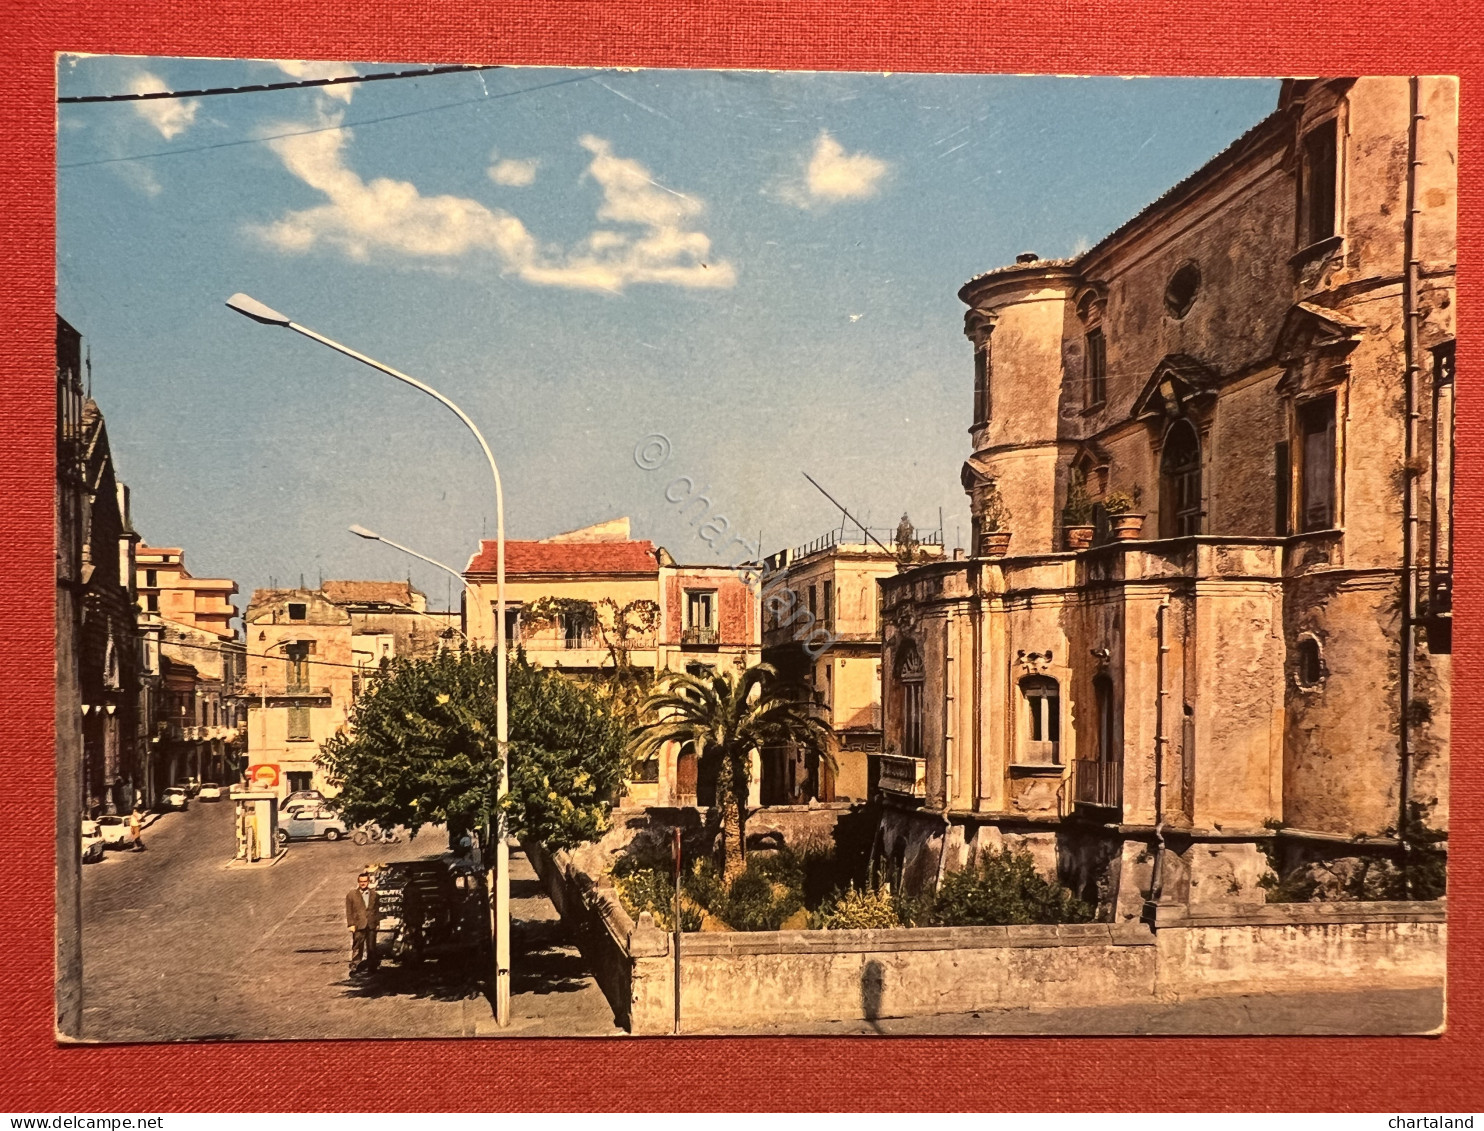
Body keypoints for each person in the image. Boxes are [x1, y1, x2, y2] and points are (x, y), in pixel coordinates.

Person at [345, 871, 379, 974]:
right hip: (358, 925)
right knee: (357, 946)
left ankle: (372, 967)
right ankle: (355, 965)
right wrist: (351, 924)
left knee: (371, 947)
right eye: (361, 882)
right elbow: (349, 910)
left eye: (365, 881)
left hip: (371, 924)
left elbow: (376, 910)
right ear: (358, 882)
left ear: (368, 882)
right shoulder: (352, 895)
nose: (363, 883)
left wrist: (377, 923)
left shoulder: (374, 894)